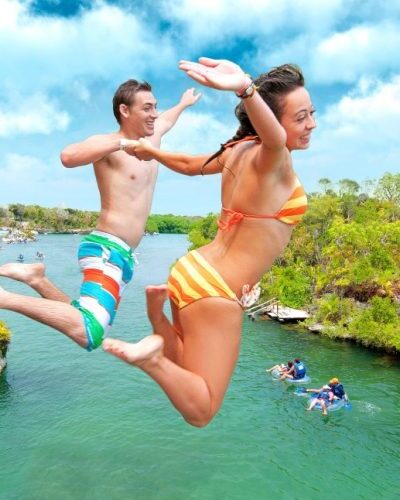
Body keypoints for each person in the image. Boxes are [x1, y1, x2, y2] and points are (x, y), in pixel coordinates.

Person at [102, 56, 316, 427]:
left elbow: (187, 163)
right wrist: (245, 88)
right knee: (202, 411)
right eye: (300, 117)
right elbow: (276, 140)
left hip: (191, 270)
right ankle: (151, 358)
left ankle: (157, 318)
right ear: (271, 120)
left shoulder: (238, 149)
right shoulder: (272, 157)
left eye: (311, 113)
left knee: (188, 370)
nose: (311, 123)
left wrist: (153, 151)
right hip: (216, 289)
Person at [0, 80, 200, 351]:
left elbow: (166, 120)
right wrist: (121, 144)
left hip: (123, 254)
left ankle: (36, 278)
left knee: (82, 314)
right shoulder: (108, 143)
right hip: (106, 248)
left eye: (155, 107)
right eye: (147, 108)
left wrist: (183, 104)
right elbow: (68, 156)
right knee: (90, 332)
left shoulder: (152, 141)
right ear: (125, 110)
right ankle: (5, 298)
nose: (154, 114)